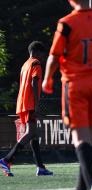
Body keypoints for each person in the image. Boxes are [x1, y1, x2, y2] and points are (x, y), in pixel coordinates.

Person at [42, 0, 92, 190]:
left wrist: (47, 79)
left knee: (79, 137)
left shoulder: (66, 23)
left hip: (75, 84)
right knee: (89, 136)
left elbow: (54, 56)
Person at [0, 41, 53, 177]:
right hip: (29, 103)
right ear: (36, 52)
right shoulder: (36, 63)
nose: (43, 57)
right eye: (42, 53)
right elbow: (34, 81)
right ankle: (6, 160)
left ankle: (40, 167)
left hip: (22, 102)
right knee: (31, 132)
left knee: (34, 135)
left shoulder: (25, 65)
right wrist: (37, 103)